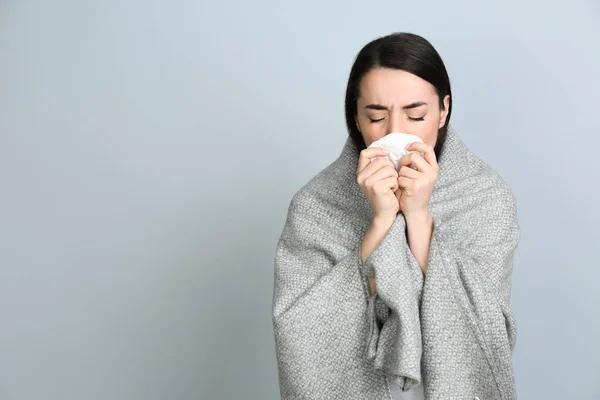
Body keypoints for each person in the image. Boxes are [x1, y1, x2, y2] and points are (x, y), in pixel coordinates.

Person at [272, 32, 520, 400]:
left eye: (416, 115)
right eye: (376, 117)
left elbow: (488, 329)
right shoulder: (317, 205)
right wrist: (380, 223)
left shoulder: (483, 196)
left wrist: (418, 216)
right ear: (356, 118)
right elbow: (299, 329)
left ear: (443, 111)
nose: (396, 133)